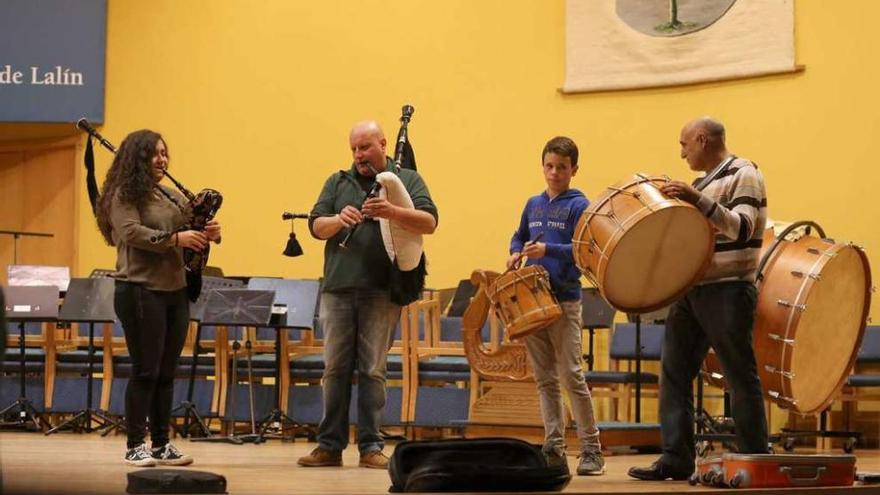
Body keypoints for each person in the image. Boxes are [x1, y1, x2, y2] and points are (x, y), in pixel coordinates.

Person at [628, 117, 769, 481]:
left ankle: (755, 459)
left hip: (729, 289)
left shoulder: (744, 172)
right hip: (693, 291)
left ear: (703, 140)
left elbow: (742, 227)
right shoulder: (699, 184)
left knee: (739, 374)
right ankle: (676, 458)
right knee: (673, 373)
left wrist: (695, 199)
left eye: (685, 144)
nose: (682, 152)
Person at [297, 120, 438, 469]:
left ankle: (371, 446)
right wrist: (338, 220)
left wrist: (392, 212)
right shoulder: (337, 182)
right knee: (335, 370)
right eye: (354, 149)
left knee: (373, 370)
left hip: (381, 289)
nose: (359, 155)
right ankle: (329, 446)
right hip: (337, 289)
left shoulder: (406, 180)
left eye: (365, 147)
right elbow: (316, 226)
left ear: (383, 145)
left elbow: (429, 222)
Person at [95, 129, 221, 467]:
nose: (162, 159)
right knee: (146, 370)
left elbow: (188, 226)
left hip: (174, 291)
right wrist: (176, 238)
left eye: (165, 153)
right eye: (154, 153)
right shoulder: (123, 195)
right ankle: (136, 444)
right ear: (137, 158)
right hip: (139, 290)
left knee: (167, 371)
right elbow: (131, 232)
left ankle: (162, 443)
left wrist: (207, 231)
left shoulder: (167, 194)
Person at [507, 136, 604, 475]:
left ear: (574, 169)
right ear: (542, 166)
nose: (554, 173)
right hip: (534, 299)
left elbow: (583, 251)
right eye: (549, 166)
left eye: (562, 167)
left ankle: (592, 450)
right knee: (545, 379)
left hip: (564, 298)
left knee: (572, 376)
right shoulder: (533, 204)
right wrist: (515, 250)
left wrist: (548, 251)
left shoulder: (580, 206)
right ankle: (553, 446)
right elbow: (519, 235)